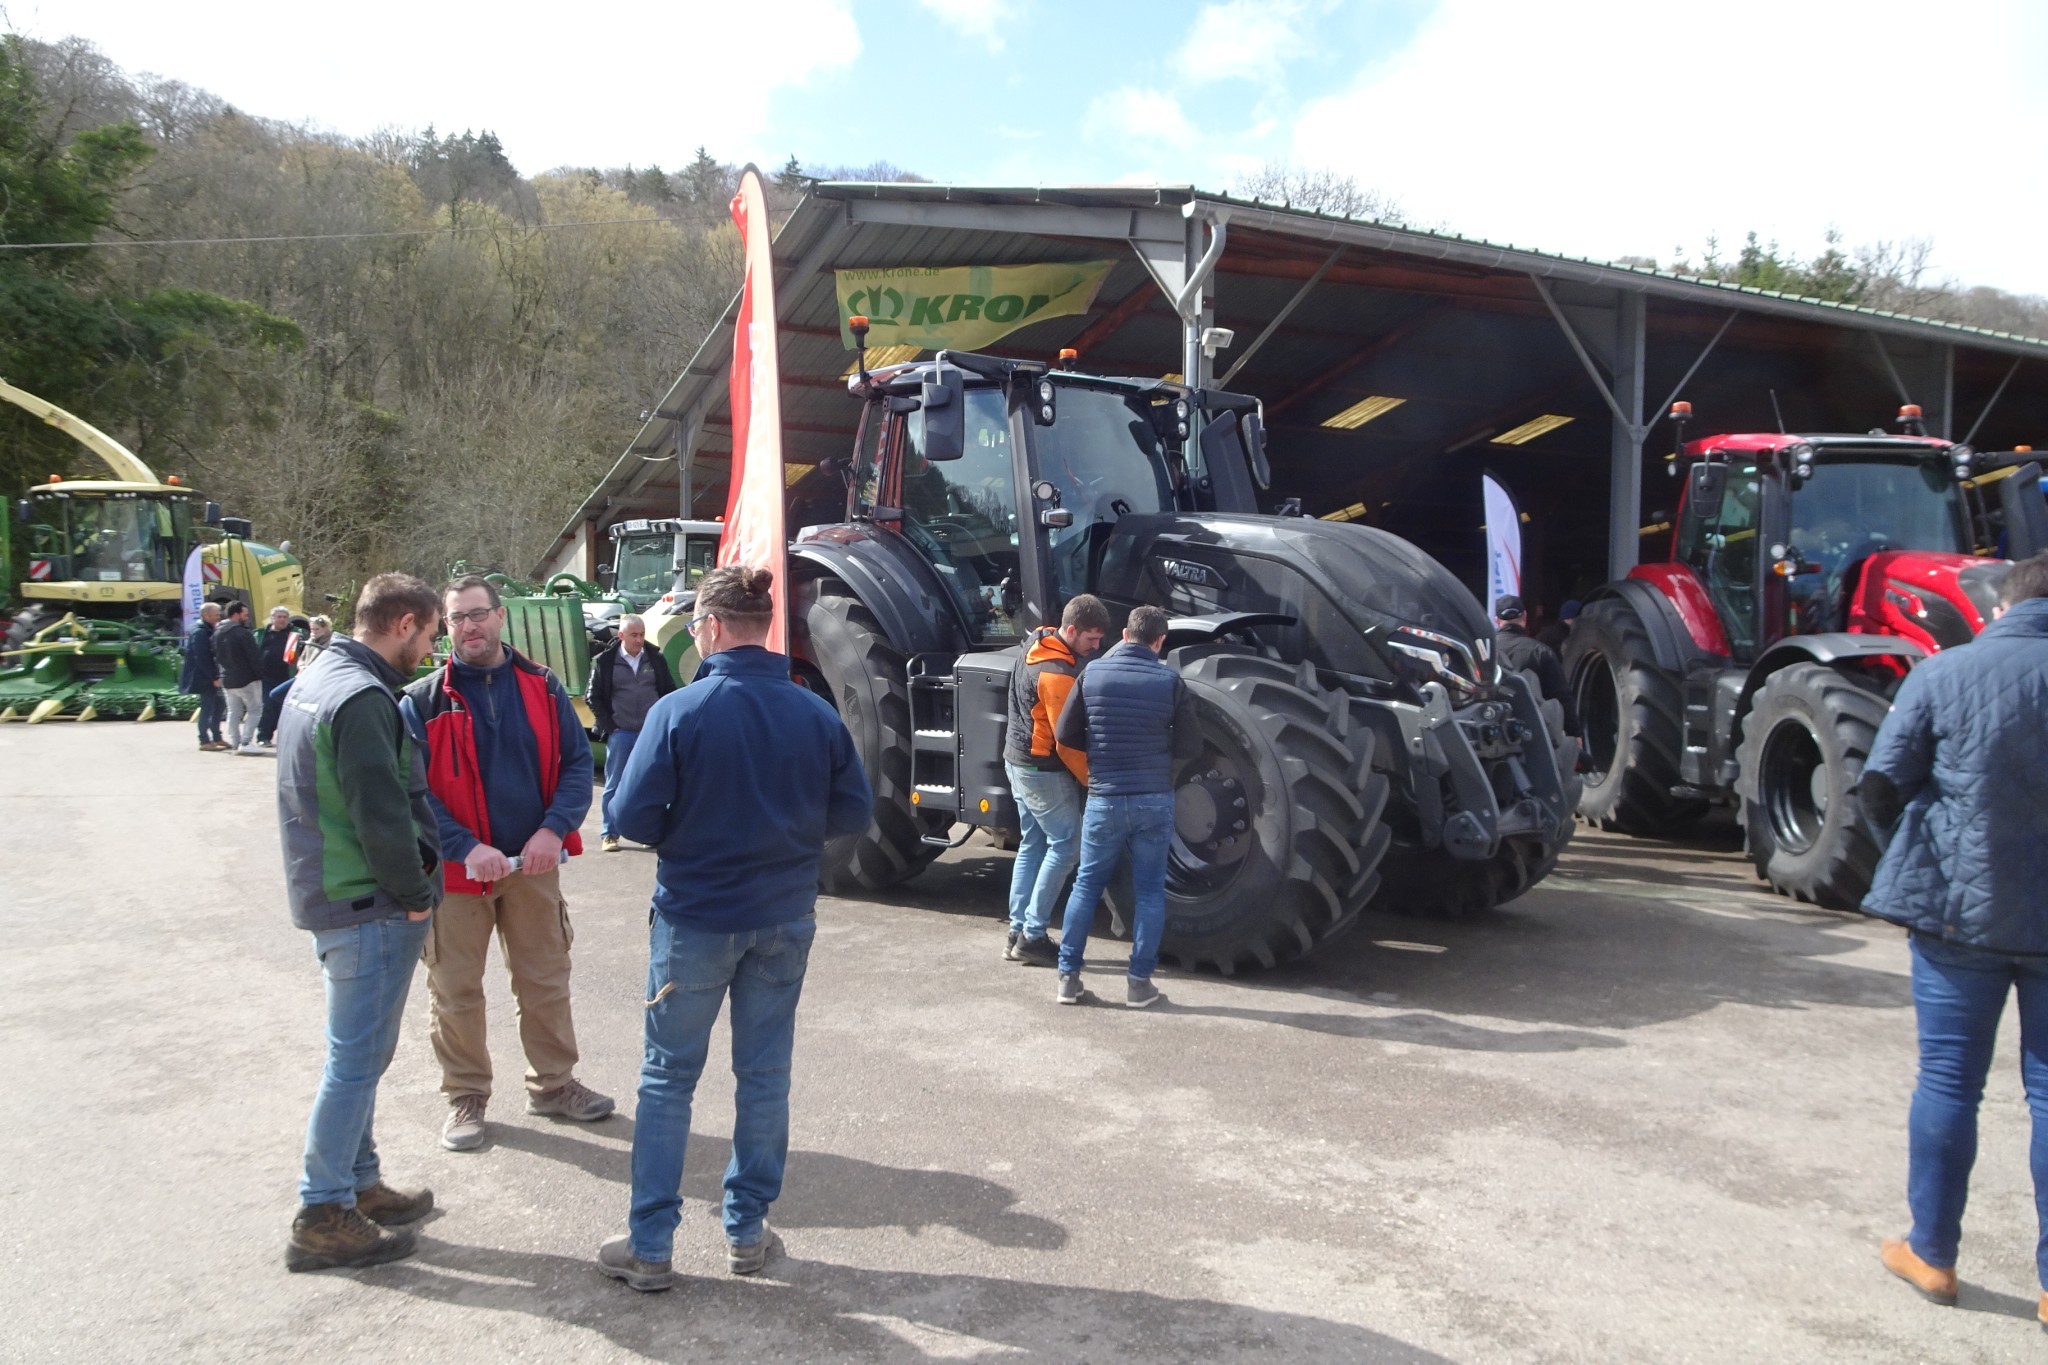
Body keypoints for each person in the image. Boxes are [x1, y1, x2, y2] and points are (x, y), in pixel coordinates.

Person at [595, 567, 871, 1293]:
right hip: (782, 914)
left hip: (696, 916)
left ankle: (652, 1243)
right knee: (764, 1074)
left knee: (666, 1079)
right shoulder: (814, 712)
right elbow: (851, 813)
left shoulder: (681, 709)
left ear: (711, 626)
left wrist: (692, 830)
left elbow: (628, 816)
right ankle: (747, 1230)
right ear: (765, 626)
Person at [1862, 551, 2048, 1325]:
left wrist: (1911, 857)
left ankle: (1933, 1254)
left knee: (1947, 1082)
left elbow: (1880, 783)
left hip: (1957, 917)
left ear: (2004, 605)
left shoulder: (1943, 674)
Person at [400, 575, 605, 1152]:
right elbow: (412, 793)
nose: (469, 626)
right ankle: (466, 1095)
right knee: (456, 990)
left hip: (533, 868)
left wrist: (552, 829)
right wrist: (466, 847)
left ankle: (555, 1085)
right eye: (458, 617)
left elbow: (574, 767)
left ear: (500, 617)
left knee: (544, 981)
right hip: (458, 876)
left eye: (478, 613)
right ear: (447, 625)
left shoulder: (542, 689)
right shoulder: (420, 702)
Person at [277, 572, 445, 1272]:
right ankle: (323, 1209)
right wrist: (412, 893)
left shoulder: (319, 677)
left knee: (362, 1053)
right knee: (355, 1058)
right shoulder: (365, 697)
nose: (431, 649)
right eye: (431, 633)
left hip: (334, 893)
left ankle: (358, 1180)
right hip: (367, 902)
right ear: (404, 623)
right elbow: (379, 811)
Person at [1050, 604, 1199, 1009]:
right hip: (1153, 800)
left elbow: (1065, 733)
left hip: (1104, 798)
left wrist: (1103, 753)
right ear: (1159, 640)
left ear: (1126, 634)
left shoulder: (1092, 673)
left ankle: (1068, 979)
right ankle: (1139, 984)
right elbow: (1190, 745)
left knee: (1086, 884)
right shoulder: (1169, 680)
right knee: (1150, 892)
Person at [1001, 594, 1109, 966]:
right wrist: (1093, 782)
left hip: (1016, 762)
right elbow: (1066, 743)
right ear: (1072, 629)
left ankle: (1016, 932)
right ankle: (1032, 935)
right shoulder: (1056, 674)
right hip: (1043, 770)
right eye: (1091, 640)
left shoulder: (1036, 640)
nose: (1096, 648)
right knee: (1067, 845)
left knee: (1032, 843)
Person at [586, 613, 677, 853]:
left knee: (654, 783)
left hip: (650, 734)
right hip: (622, 733)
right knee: (615, 784)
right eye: (634, 635)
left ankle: (649, 833)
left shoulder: (655, 658)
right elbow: (592, 697)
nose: (639, 640)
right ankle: (610, 834)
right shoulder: (605, 662)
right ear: (621, 636)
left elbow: (668, 691)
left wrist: (662, 724)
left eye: (642, 635)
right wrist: (611, 726)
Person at [1494, 595, 1579, 738]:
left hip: (1492, 732)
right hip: (1534, 734)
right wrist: (1574, 733)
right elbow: (1562, 696)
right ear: (1525, 617)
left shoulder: (1484, 651)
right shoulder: (1541, 651)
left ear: (1497, 620)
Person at [214, 599, 265, 754]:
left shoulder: (217, 633)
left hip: (227, 679)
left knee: (233, 712)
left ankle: (235, 742)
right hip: (247, 679)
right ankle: (246, 741)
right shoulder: (243, 634)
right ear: (236, 615)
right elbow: (254, 657)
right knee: (255, 710)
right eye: (245, 615)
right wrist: (260, 674)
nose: (247, 617)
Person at [181, 601, 228, 751]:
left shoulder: (209, 629)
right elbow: (202, 657)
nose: (218, 617)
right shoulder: (200, 632)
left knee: (219, 706)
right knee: (208, 707)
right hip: (204, 677)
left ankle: (217, 737)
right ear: (205, 615)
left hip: (212, 675)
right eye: (215, 615)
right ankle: (204, 740)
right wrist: (214, 677)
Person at [255, 605, 301, 747]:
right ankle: (263, 736)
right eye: (279, 617)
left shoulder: (294, 635)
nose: (282, 620)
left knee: (284, 708)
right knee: (268, 706)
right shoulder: (261, 634)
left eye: (284, 617)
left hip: (286, 676)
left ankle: (284, 738)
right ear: (272, 618)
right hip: (265, 677)